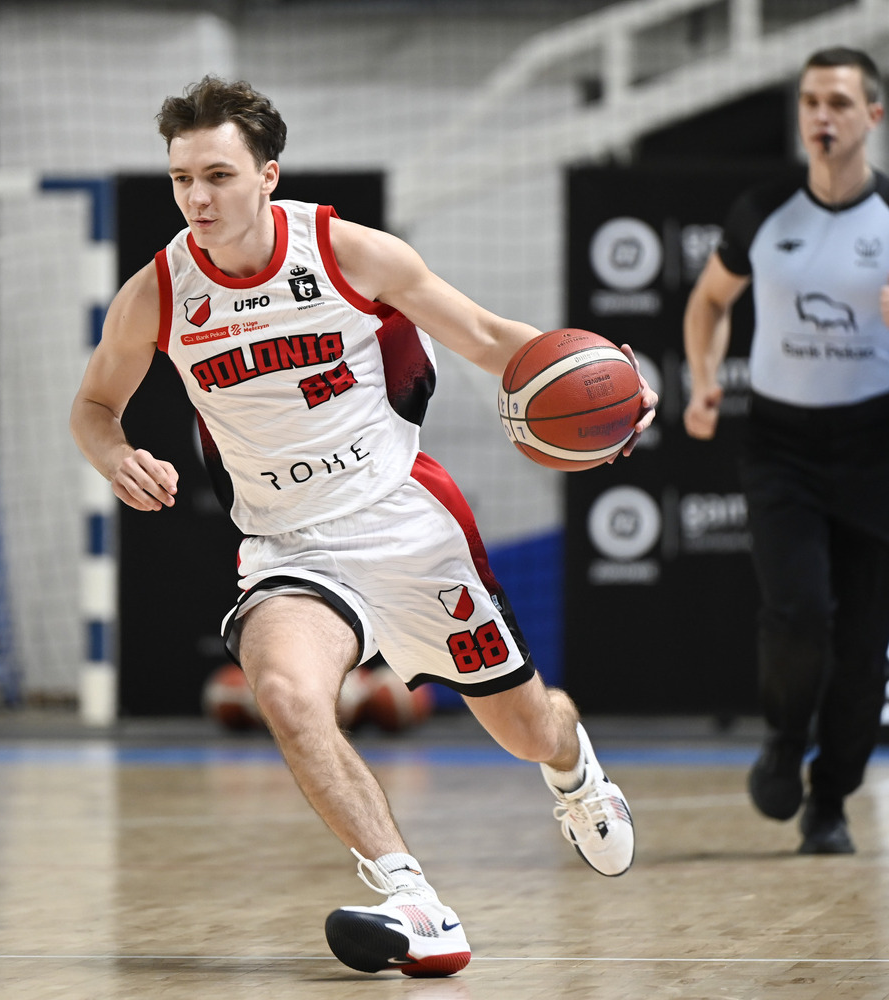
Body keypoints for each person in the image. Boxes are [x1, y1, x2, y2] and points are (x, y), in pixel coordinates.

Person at [71, 75, 656, 977]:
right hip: (287, 544)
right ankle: (414, 900)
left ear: (267, 175)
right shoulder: (156, 292)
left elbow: (485, 336)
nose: (197, 198)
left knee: (526, 728)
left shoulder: (347, 251)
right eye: (182, 178)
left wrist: (611, 379)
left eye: (218, 175)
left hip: (402, 521)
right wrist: (113, 456)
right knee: (285, 693)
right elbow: (92, 407)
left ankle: (574, 771)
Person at [683, 47, 889, 854]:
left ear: (871, 116)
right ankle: (784, 740)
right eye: (810, 101)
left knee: (860, 648)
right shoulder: (762, 211)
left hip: (875, 447)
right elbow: (708, 301)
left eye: (839, 103)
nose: (821, 116)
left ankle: (830, 801)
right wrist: (704, 380)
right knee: (796, 614)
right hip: (780, 444)